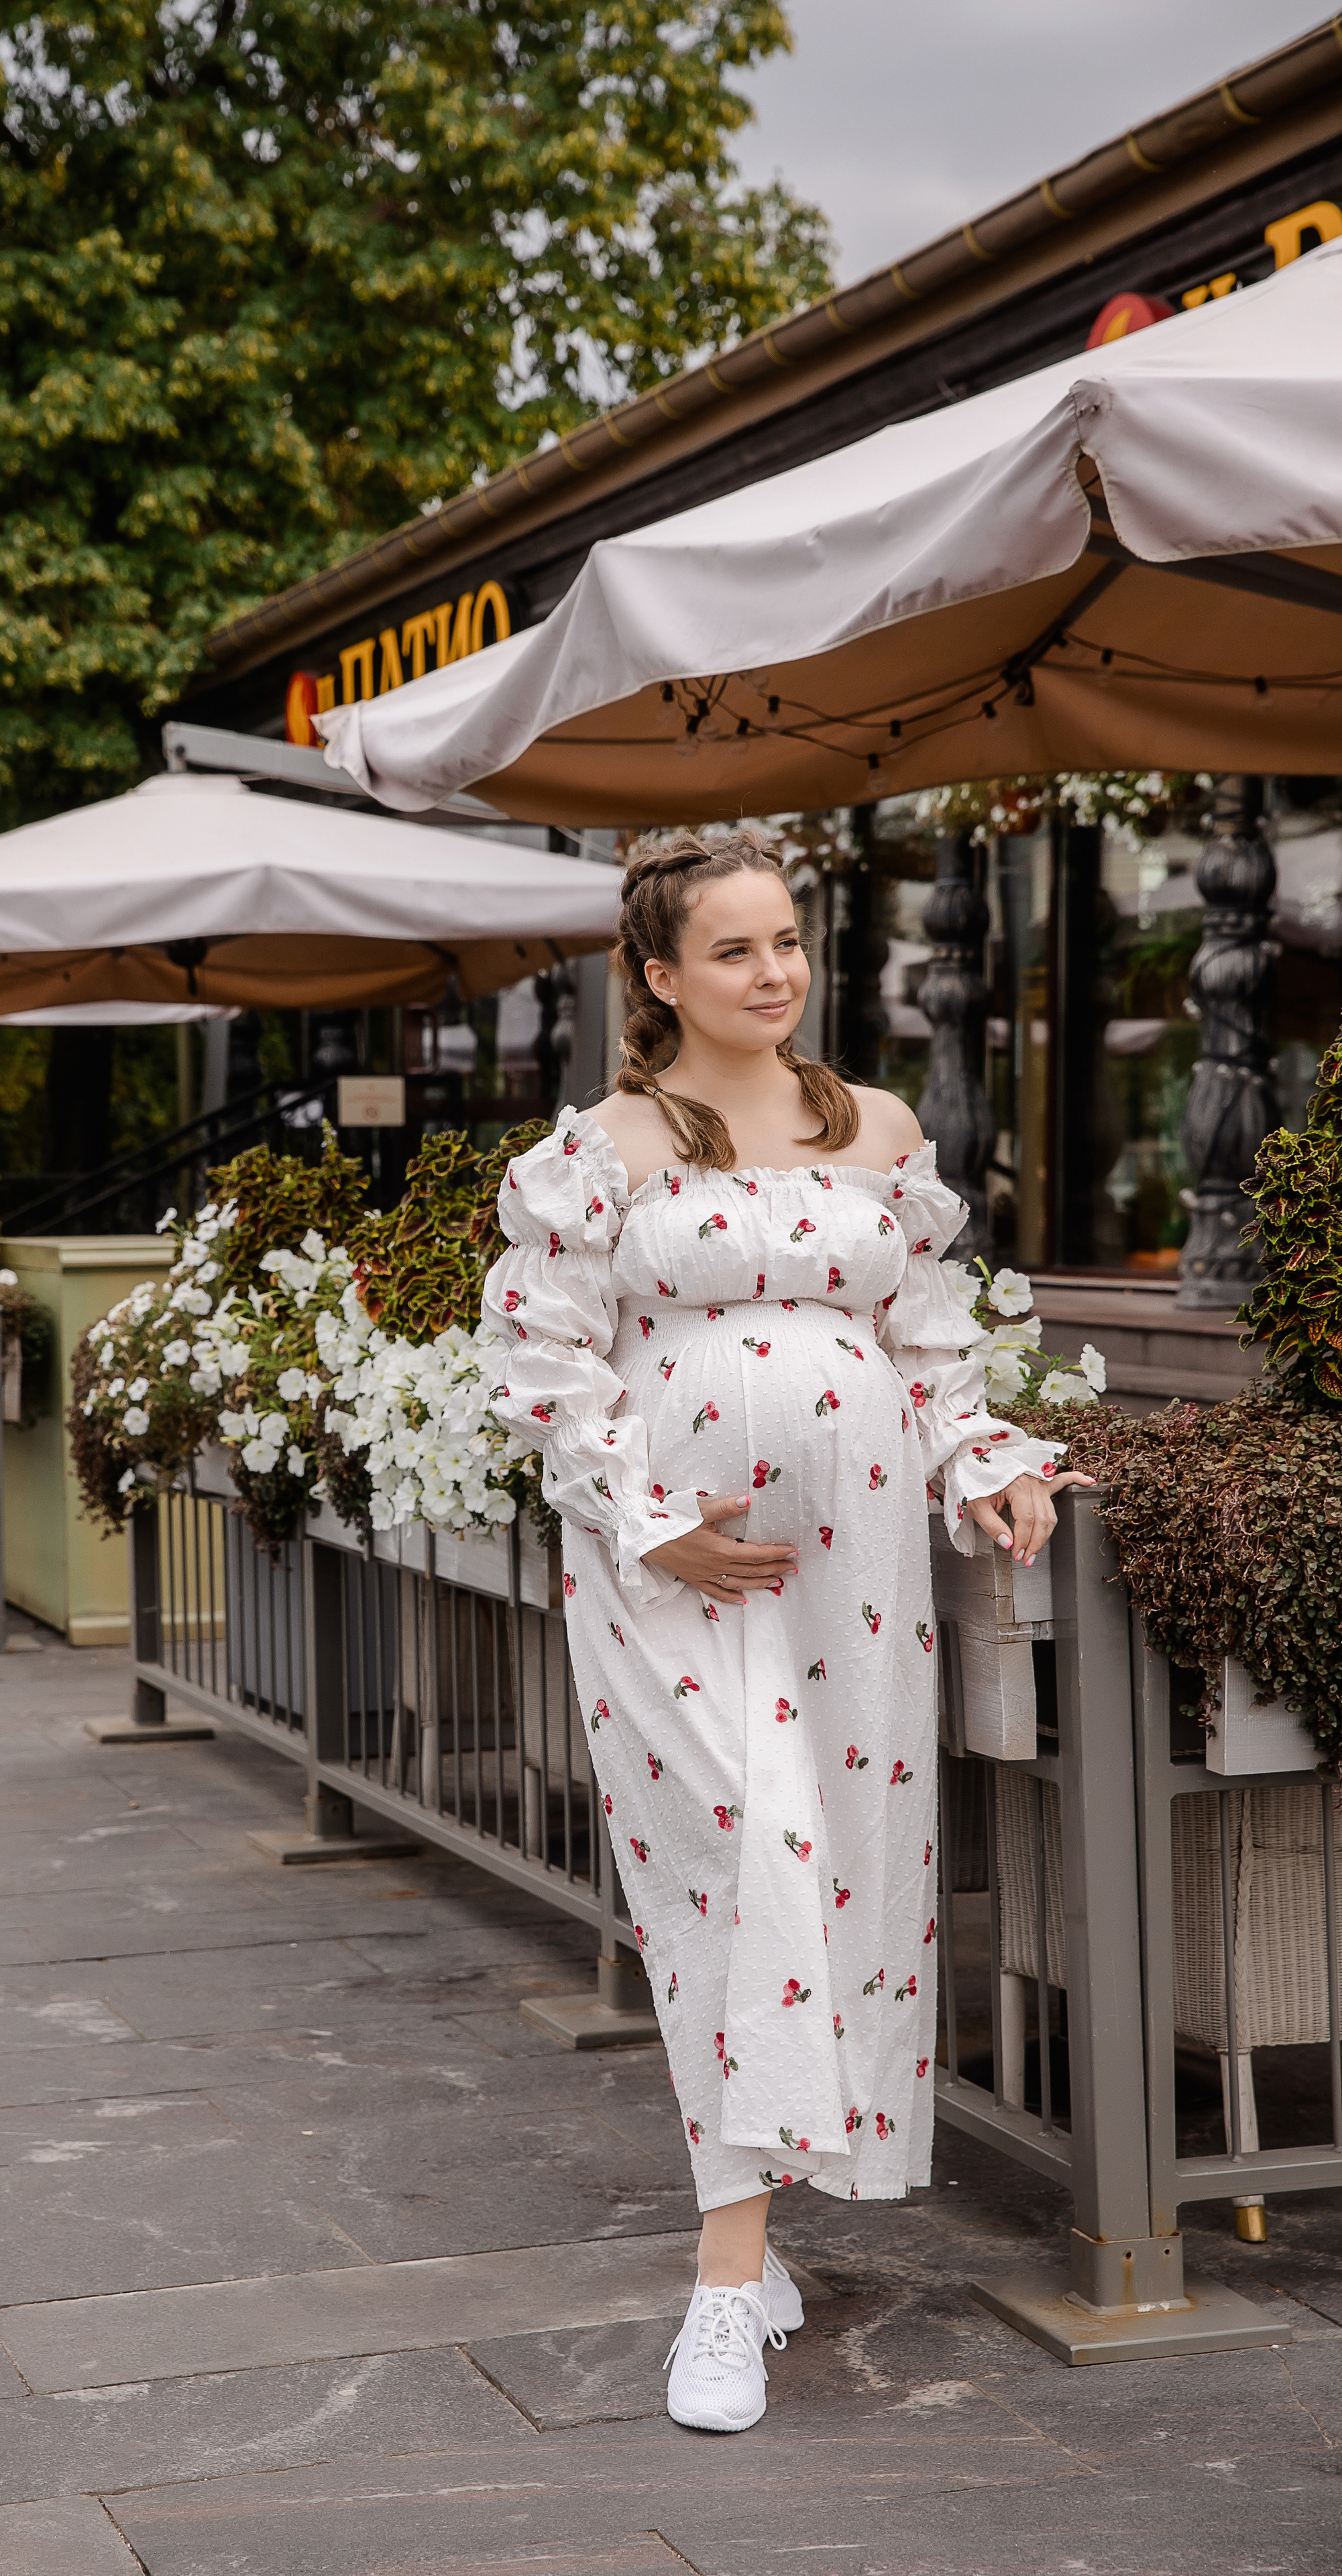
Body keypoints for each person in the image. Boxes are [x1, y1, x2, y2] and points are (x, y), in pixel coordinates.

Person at [482, 826, 1093, 2433]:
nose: (775, 974)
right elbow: (541, 1362)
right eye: (737, 950)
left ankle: (748, 2255)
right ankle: (717, 2282)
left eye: (789, 944)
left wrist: (987, 1466)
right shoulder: (600, 1148)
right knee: (730, 1859)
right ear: (657, 974)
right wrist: (652, 1518)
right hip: (670, 1562)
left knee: (835, 1868)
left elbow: (929, 1344)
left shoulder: (871, 1126)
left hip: (857, 1564)